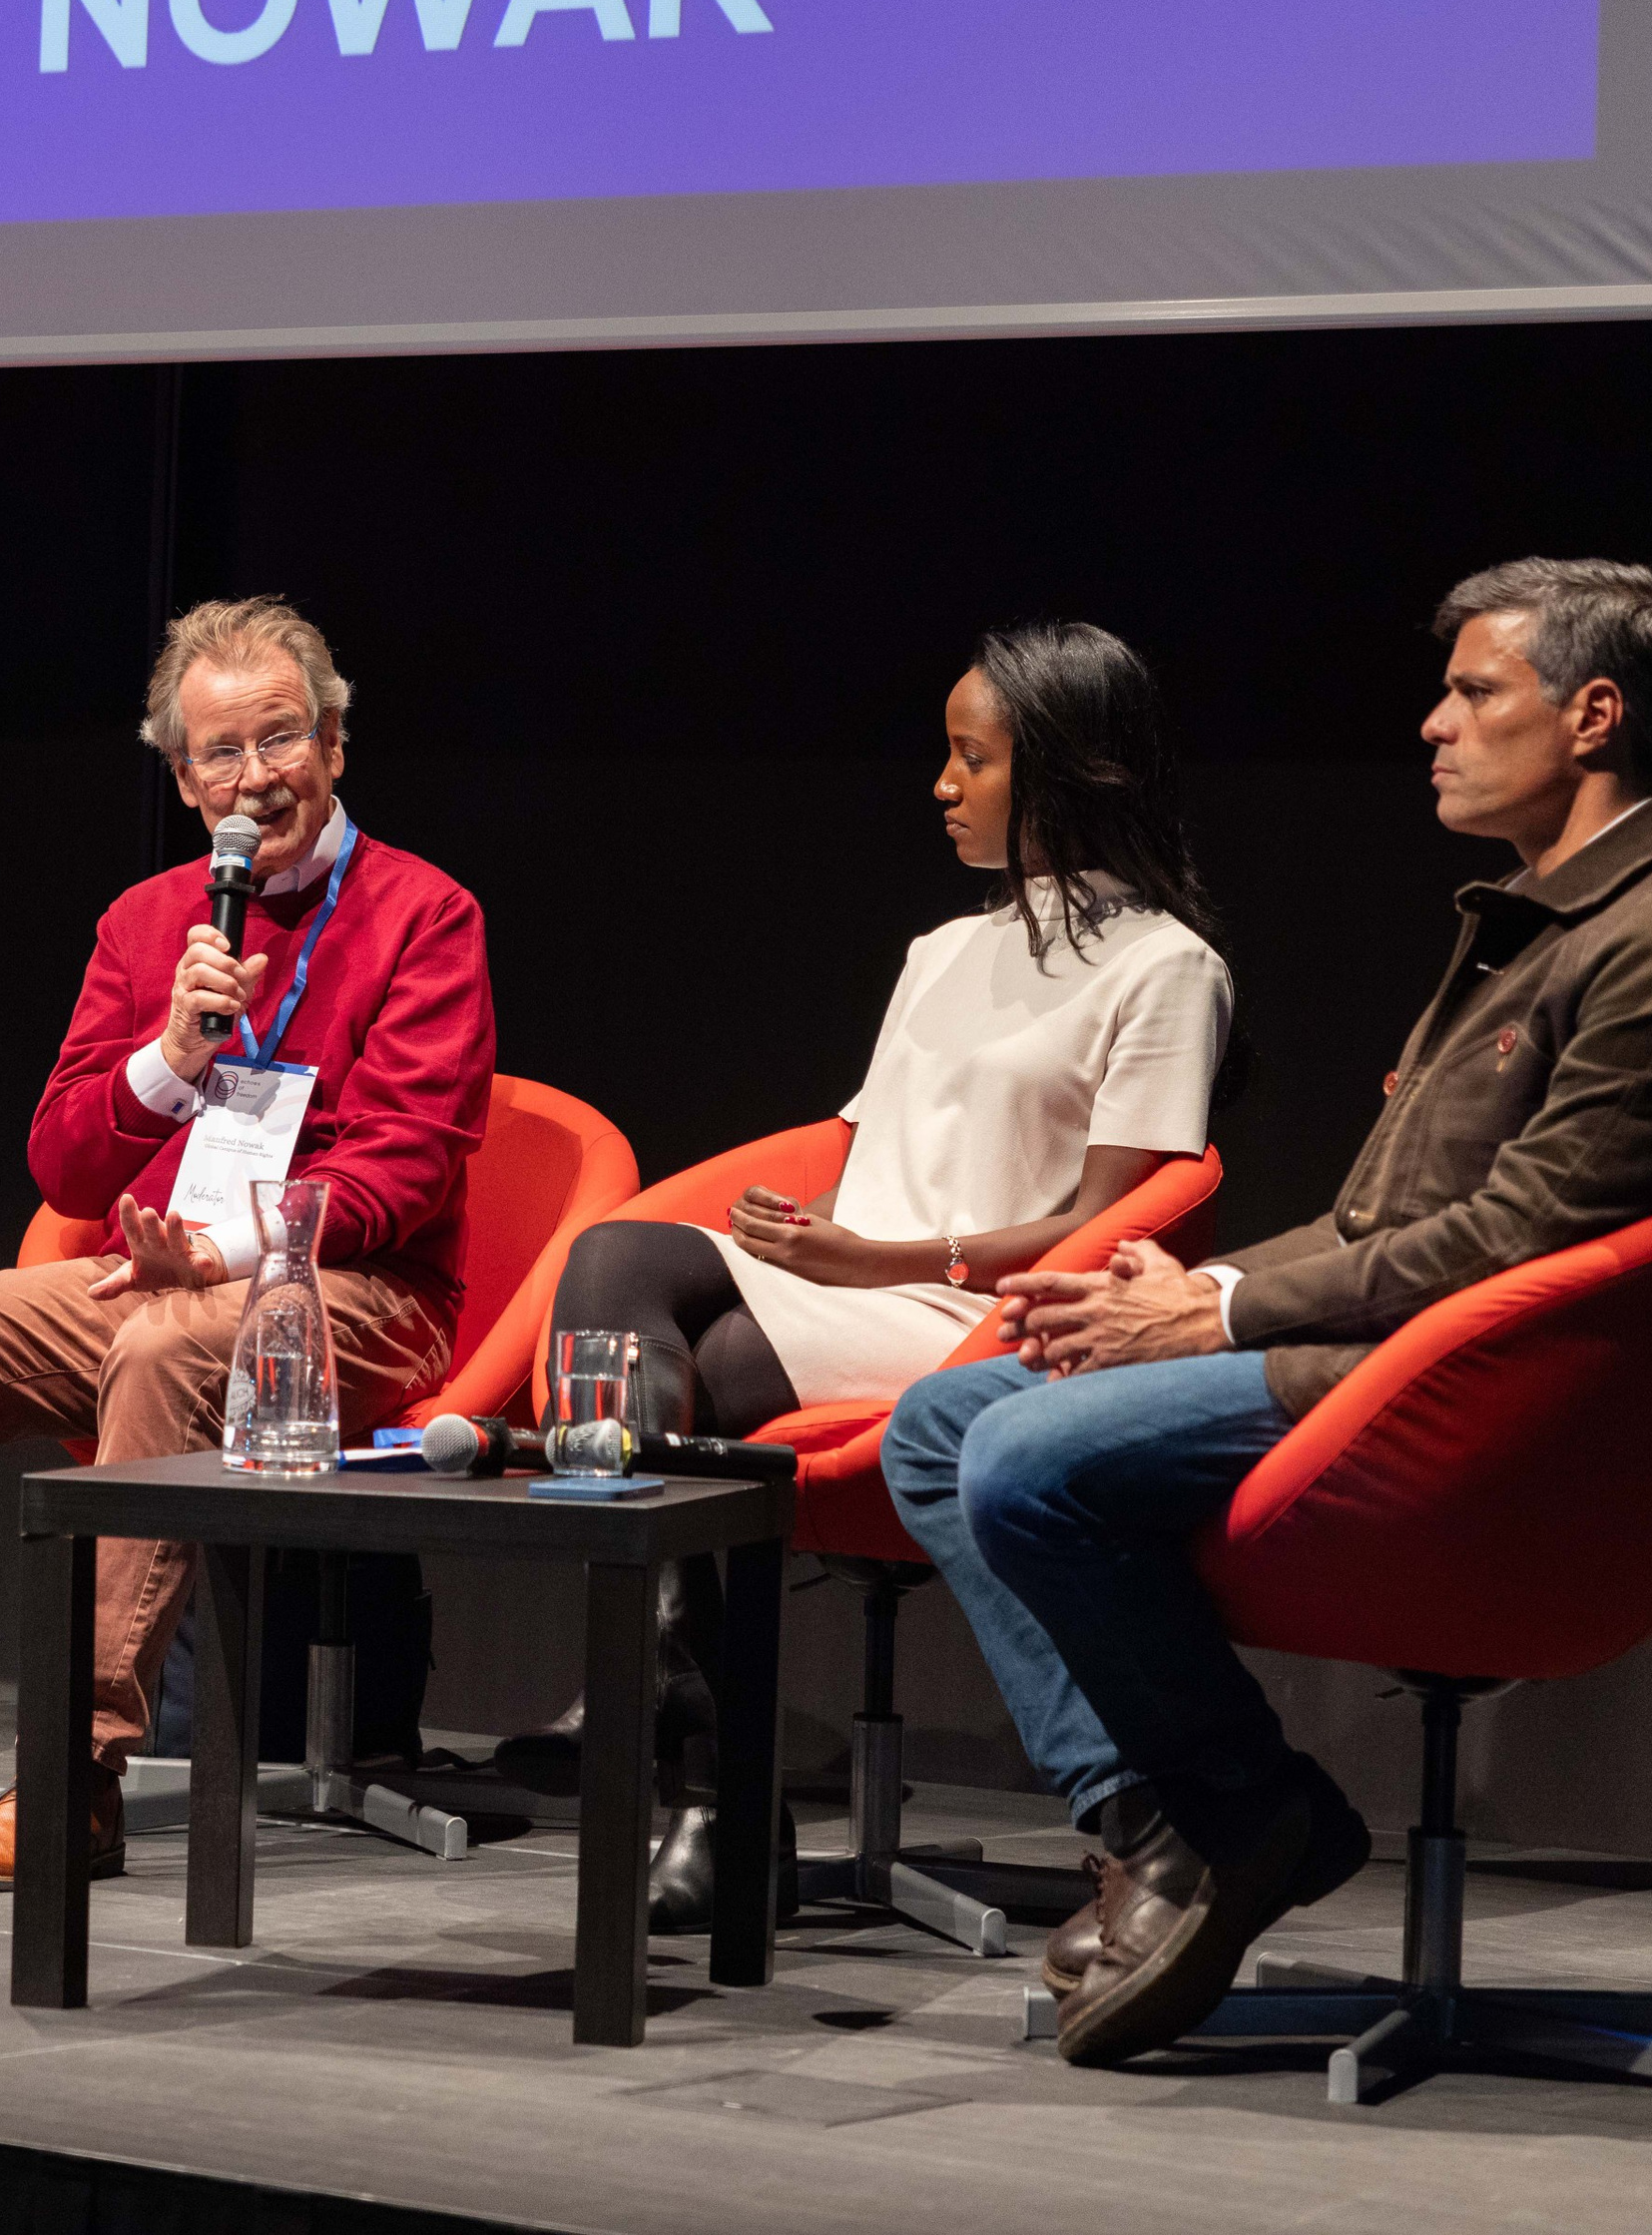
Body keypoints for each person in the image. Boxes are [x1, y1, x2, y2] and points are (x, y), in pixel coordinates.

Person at [882, 556, 1652, 2070]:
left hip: (1473, 1399)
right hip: (1376, 1348)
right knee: (941, 1421)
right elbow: (1383, 1217)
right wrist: (1190, 1288)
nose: (1435, 724)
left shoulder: (1636, 941)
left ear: (1595, 715)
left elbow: (1521, 1238)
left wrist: (1219, 1317)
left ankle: (1246, 1818)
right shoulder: (1527, 919)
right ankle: (1164, 1824)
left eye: (1476, 692)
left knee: (1026, 1462)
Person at [525, 623, 1235, 1928]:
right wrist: (825, 1243)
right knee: (633, 1277)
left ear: (1070, 769)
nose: (942, 783)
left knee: (693, 1357)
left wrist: (886, 1257)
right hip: (850, 1296)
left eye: (973, 757)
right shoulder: (939, 953)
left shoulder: (1165, 967)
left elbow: (1122, 1219)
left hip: (984, 1317)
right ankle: (689, 1729)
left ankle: (693, 1759)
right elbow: (868, 1161)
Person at [0, 596, 496, 1880]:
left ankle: (81, 1769)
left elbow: (401, 1172)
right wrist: (169, 1059)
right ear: (181, 777)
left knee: (170, 1345)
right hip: (153, 1278)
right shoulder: (147, 921)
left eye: (278, 740)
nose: (252, 780)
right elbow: (63, 1155)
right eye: (218, 755)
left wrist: (226, 1254)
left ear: (334, 741)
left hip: (357, 1295)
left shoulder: (424, 914)